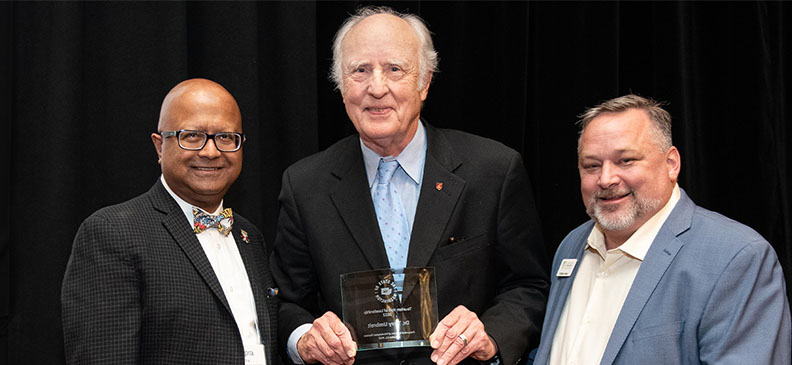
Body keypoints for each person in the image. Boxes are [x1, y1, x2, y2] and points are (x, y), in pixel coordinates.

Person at [270, 6, 548, 365]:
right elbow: (286, 301)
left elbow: (529, 286)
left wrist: (490, 335)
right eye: (360, 71)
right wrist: (303, 339)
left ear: (425, 82)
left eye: (394, 69)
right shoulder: (305, 185)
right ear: (341, 86)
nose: (376, 87)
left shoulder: (493, 170)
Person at [532, 94, 791, 364]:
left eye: (626, 160)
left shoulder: (736, 257)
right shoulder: (572, 246)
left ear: (671, 164)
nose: (606, 179)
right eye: (592, 166)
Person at [61, 78, 279, 364]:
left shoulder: (249, 236)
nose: (211, 151)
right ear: (159, 146)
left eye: (226, 137)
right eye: (191, 136)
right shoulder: (112, 232)